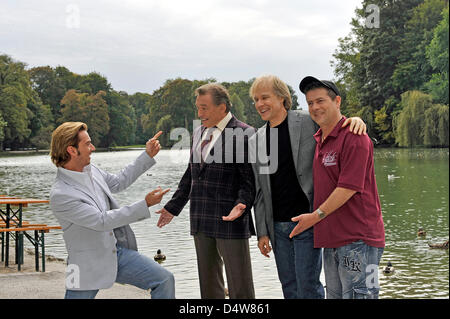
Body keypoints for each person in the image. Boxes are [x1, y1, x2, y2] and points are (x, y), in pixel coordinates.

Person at [248, 75, 366, 299]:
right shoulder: (256, 139)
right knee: (289, 287)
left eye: (265, 97)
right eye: (256, 99)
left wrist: (356, 120)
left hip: (308, 219)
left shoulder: (306, 120)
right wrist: (262, 232)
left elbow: (335, 124)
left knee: (308, 286)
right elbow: (260, 191)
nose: (259, 104)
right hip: (277, 227)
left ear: (282, 98)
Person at [49, 122, 175, 299]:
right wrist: (144, 204)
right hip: (84, 265)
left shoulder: (91, 170)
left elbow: (118, 182)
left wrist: (147, 156)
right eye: (87, 144)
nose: (92, 148)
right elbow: (101, 221)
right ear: (71, 150)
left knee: (164, 279)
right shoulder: (61, 194)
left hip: (117, 254)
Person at [155, 83, 256, 299]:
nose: (200, 114)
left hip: (231, 217)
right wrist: (173, 207)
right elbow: (191, 175)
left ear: (222, 107)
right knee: (209, 288)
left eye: (204, 108)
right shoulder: (198, 132)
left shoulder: (245, 133)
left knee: (241, 288)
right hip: (200, 217)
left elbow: (249, 181)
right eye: (198, 108)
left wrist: (243, 204)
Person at [289, 76, 385, 299]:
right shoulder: (320, 138)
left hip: (360, 240)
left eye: (320, 101)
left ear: (337, 101)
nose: (315, 107)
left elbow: (347, 188)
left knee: (363, 295)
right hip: (331, 239)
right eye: (310, 103)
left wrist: (315, 216)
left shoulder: (355, 136)